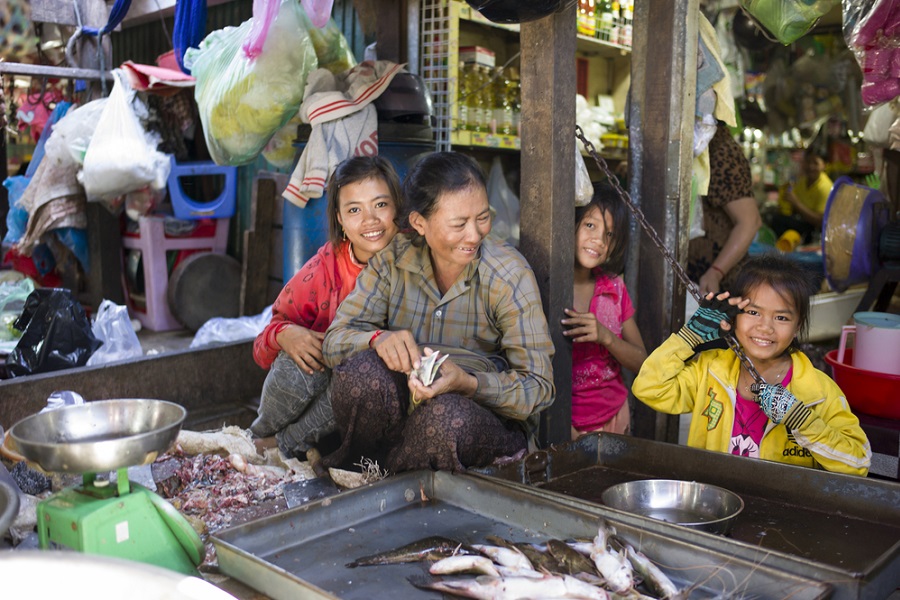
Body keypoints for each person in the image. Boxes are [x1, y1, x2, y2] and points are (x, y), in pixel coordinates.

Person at [320, 151, 555, 473]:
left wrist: (469, 384)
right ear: (419, 223)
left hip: (475, 422)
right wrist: (377, 339)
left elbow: (539, 387)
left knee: (444, 421)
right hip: (404, 417)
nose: (474, 235)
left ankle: (386, 482)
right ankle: (366, 471)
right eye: (459, 224)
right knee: (360, 375)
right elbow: (334, 342)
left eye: (483, 218)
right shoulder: (393, 262)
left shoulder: (507, 275)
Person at [632, 254, 870, 476]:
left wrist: (802, 421)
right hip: (712, 502)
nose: (765, 327)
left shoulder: (819, 391)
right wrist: (688, 338)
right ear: (733, 316)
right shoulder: (709, 370)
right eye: (753, 312)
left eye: (781, 317)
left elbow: (858, 462)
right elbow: (648, 387)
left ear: (798, 326)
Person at [250, 156, 403, 458]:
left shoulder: (415, 261)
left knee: (357, 374)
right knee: (299, 363)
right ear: (340, 219)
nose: (370, 220)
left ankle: (280, 446)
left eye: (381, 205)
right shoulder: (323, 272)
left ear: (398, 207)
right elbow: (261, 347)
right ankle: (255, 438)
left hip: (375, 400)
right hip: (320, 396)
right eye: (354, 210)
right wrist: (284, 335)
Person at [562, 184, 647, 439]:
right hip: (563, 421)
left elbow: (643, 361)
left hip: (614, 419)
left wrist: (607, 337)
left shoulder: (614, 289)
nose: (598, 240)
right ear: (572, 223)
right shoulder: (545, 287)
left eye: (609, 235)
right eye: (590, 225)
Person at [687, 122, 762, 295]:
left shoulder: (720, 151)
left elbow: (750, 222)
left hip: (715, 286)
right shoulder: (695, 148)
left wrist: (716, 273)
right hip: (691, 279)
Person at [771, 149, 832, 243]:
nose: (810, 167)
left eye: (815, 163)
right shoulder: (803, 181)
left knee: (779, 221)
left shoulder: (825, 188)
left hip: (814, 230)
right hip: (801, 222)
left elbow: (820, 221)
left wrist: (796, 203)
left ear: (824, 165)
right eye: (808, 162)